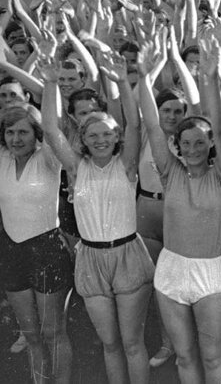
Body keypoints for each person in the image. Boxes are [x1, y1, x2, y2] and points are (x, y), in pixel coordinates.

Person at [40, 46, 154, 384]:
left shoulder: (126, 164)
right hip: (90, 258)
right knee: (110, 343)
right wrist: (49, 84)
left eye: (107, 133)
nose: (101, 139)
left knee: (133, 342)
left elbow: (135, 122)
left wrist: (121, 81)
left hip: (128, 256)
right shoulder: (76, 168)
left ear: (116, 137)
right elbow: (50, 129)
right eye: (93, 135)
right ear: (84, 140)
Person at [139, 36, 221, 383]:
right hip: (171, 271)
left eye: (200, 142)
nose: (193, 148)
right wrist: (141, 75)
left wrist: (209, 78)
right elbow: (152, 125)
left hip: (209, 272)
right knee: (184, 355)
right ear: (176, 146)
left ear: (209, 144)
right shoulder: (170, 172)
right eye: (186, 143)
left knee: (212, 356)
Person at [0, 104, 74, 384]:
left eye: (23, 132)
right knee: (31, 336)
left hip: (47, 249)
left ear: (36, 134)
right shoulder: (3, 157)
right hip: (12, 251)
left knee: (53, 333)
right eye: (10, 132)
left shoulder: (49, 158)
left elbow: (55, 120)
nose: (16, 139)